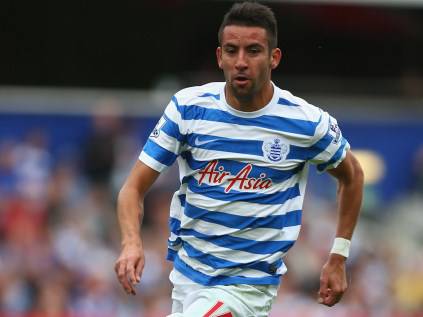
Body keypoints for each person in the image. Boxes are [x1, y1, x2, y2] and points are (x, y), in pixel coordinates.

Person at [114, 2, 364, 316]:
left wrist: (339, 256)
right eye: (232, 51)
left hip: (248, 288)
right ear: (220, 57)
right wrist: (131, 242)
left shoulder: (305, 123)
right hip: (187, 278)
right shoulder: (188, 108)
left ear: (274, 58)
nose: (241, 62)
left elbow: (352, 176)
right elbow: (132, 189)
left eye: (253, 51)